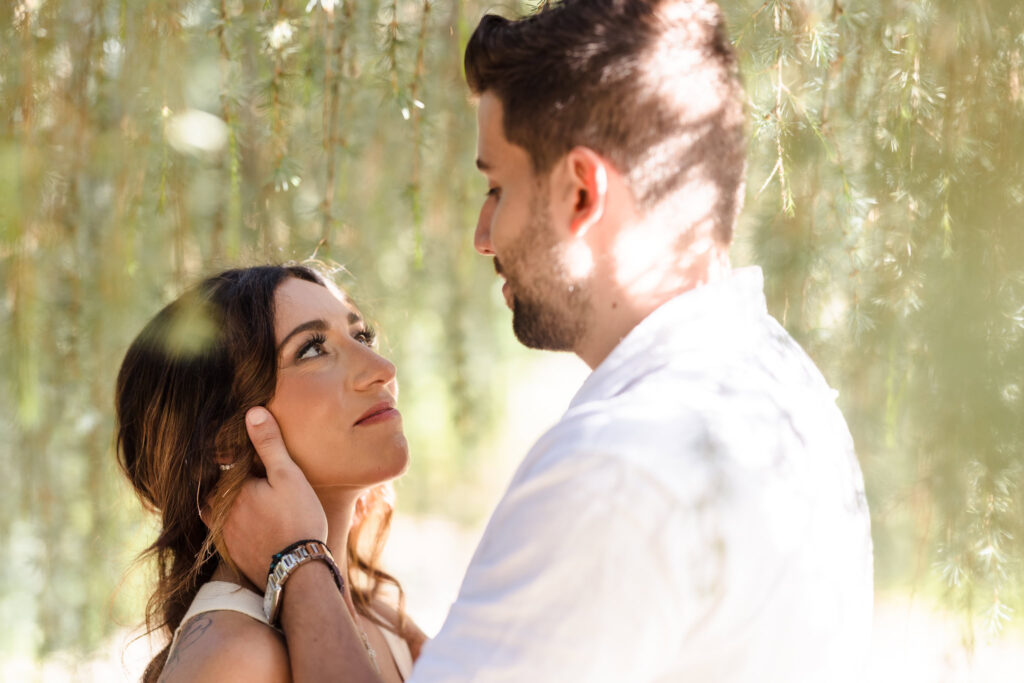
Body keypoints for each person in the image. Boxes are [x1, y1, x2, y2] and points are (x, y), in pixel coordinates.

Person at [222, 1, 874, 681]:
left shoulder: (617, 467)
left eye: (497, 187)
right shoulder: (781, 381)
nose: (482, 235)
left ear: (582, 193)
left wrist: (296, 560)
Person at [115, 265, 426, 682]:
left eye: (361, 336)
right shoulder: (236, 656)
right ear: (223, 439)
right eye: (313, 349)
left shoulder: (388, 627)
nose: (382, 367)